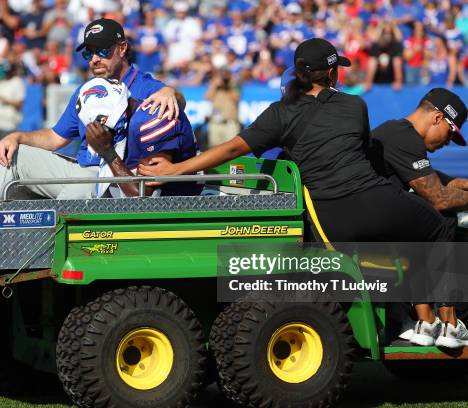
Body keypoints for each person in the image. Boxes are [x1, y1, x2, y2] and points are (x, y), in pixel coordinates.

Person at [139, 37, 456, 341]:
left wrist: (175, 170)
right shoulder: (355, 105)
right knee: (439, 226)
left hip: (328, 221)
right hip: (373, 203)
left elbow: (231, 149)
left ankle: (417, 321)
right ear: (332, 73)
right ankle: (445, 323)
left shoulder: (279, 113)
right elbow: (359, 154)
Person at [0, 18, 185, 260]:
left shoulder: (148, 87)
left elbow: (175, 103)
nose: (95, 59)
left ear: (123, 48)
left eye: (103, 50)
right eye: (89, 53)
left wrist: (173, 92)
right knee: (14, 156)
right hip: (83, 171)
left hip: (113, 183)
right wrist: (17, 136)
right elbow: (54, 138)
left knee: (80, 188)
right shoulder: (87, 89)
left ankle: (4, 245)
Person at [370, 88, 468, 348]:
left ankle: (426, 316)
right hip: (377, 230)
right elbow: (440, 198)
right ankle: (447, 319)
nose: (447, 142)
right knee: (444, 218)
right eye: (450, 134)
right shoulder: (404, 139)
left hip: (379, 219)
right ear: (437, 118)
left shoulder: (397, 133)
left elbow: (443, 183)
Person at [0, 64, 26, 162]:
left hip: (8, 123)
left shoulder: (18, 83)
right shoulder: (0, 81)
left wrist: (3, 99)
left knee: (6, 151)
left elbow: (19, 104)